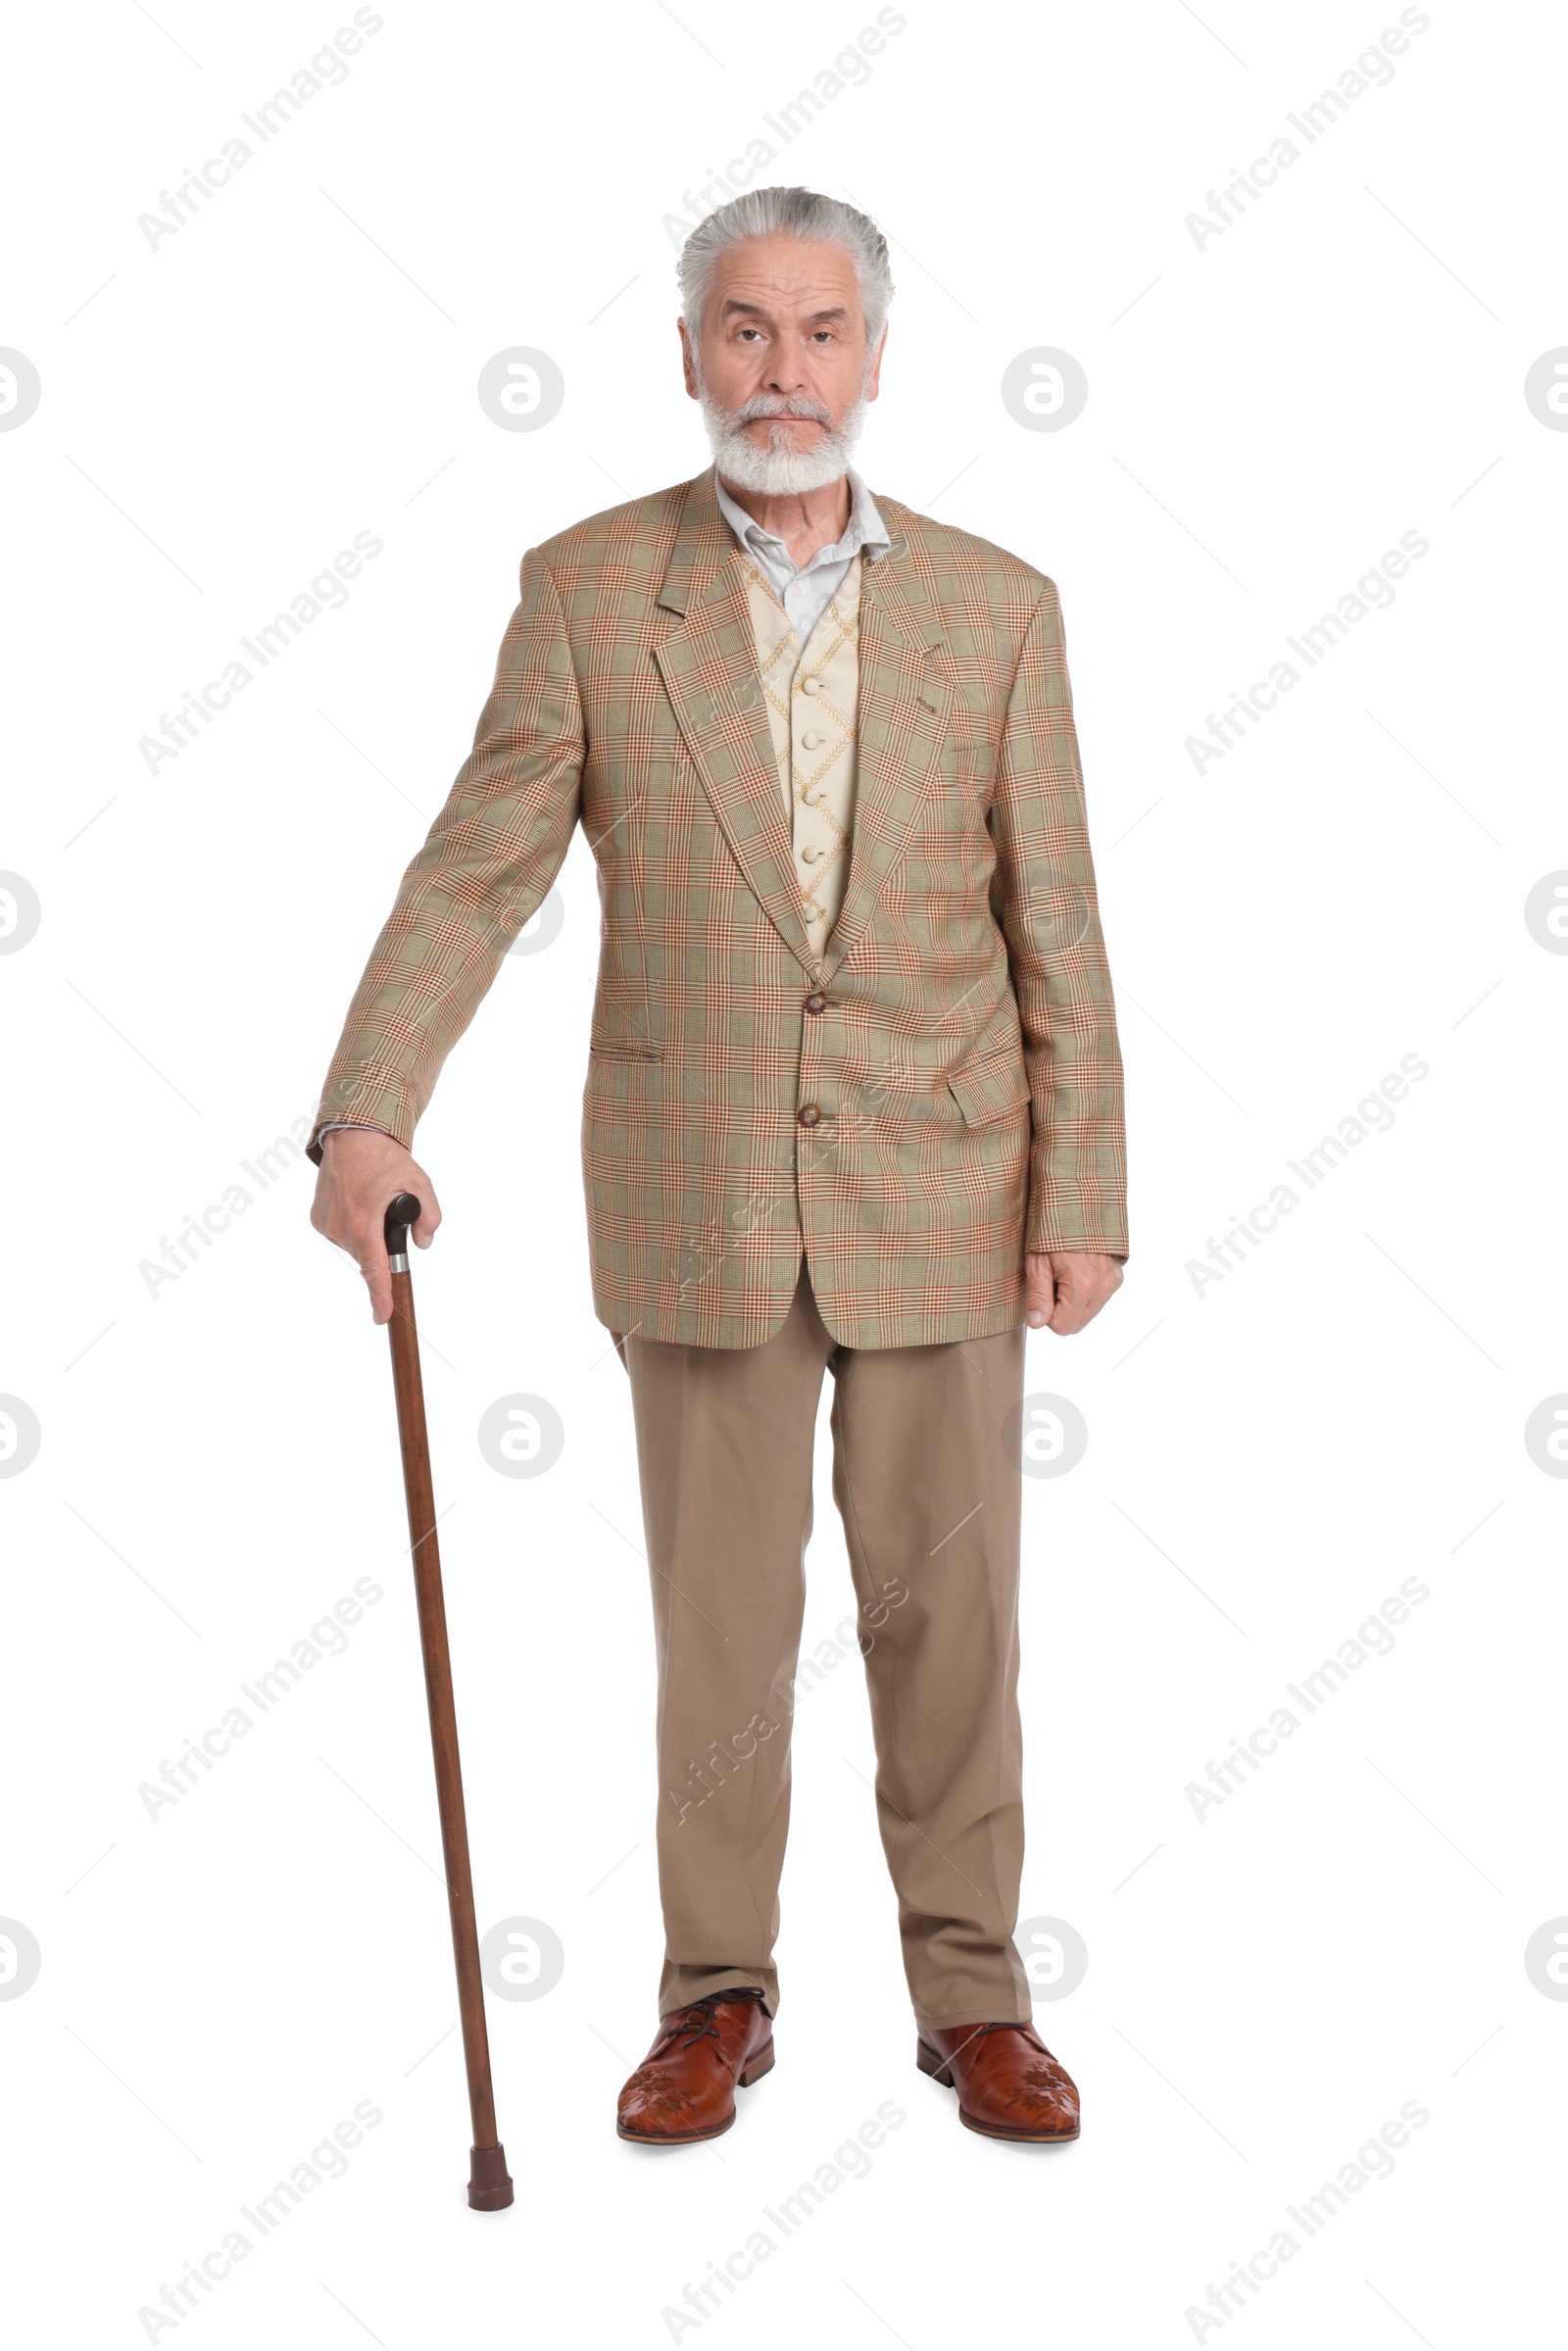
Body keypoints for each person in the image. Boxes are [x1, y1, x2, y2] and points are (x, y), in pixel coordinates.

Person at [308, 185, 1127, 2148]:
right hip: (696, 1206)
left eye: (818, 331)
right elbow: (475, 872)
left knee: (952, 1626)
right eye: (742, 332)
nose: (781, 372)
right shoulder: (589, 592)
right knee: (721, 1633)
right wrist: (367, 1106)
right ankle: (714, 1998)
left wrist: (1081, 1190)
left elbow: (1058, 925)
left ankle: (973, 1998)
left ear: (873, 356)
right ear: (685, 356)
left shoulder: (999, 607)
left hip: (946, 1188)